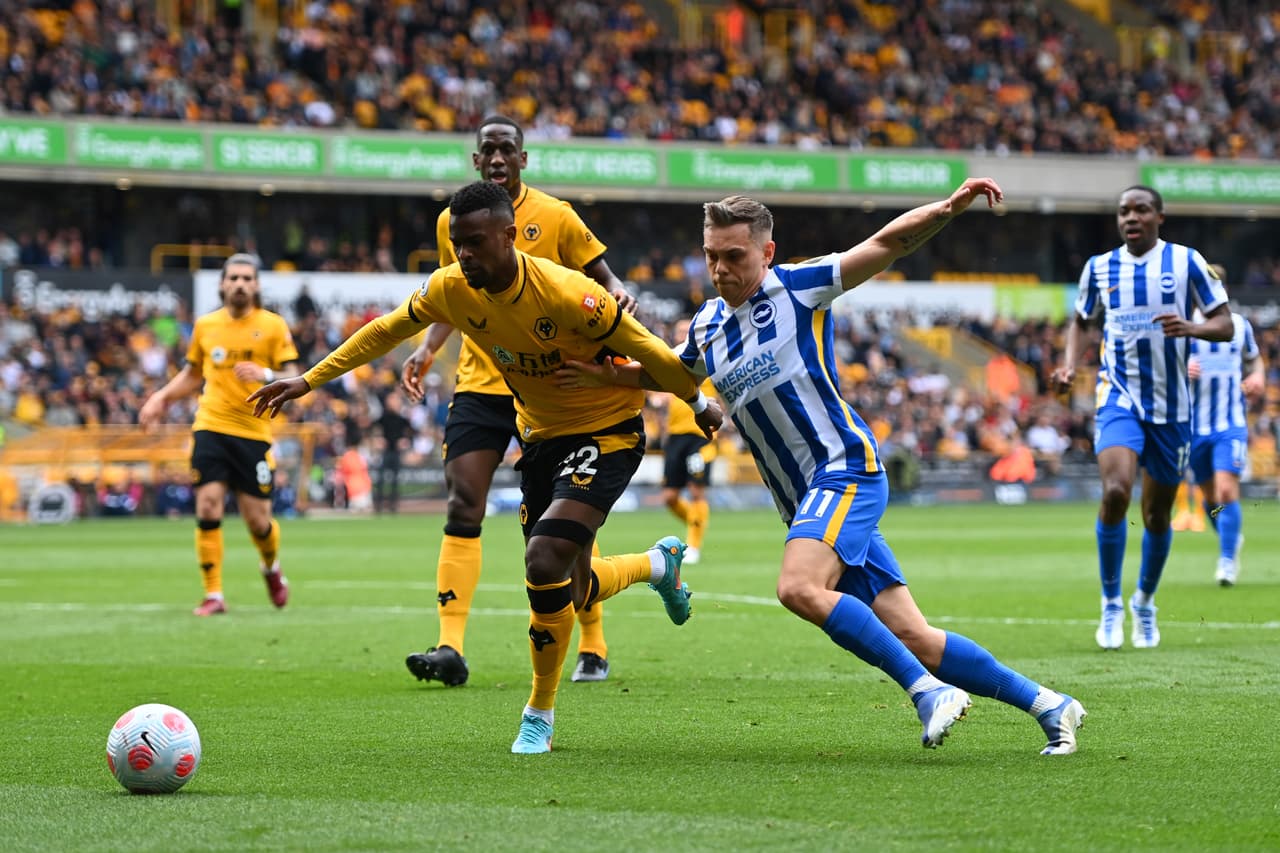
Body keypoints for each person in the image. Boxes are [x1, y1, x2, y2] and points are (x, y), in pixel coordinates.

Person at [559, 182, 1088, 755]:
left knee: (799, 587)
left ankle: (927, 692)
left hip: (844, 470)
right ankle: (1048, 704)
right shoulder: (707, 324)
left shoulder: (798, 287)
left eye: (733, 256)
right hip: (806, 503)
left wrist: (946, 209)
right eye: (711, 255)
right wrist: (607, 374)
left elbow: (885, 244)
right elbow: (674, 374)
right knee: (914, 635)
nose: (719, 269)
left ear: (766, 252)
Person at [250, 181, 721, 754]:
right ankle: (656, 565)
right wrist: (308, 380)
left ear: (509, 236)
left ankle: (538, 713)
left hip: (606, 432)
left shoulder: (568, 293)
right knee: (573, 588)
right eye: (457, 243)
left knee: (542, 557)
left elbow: (650, 349)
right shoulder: (451, 287)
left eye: (475, 242)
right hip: (540, 439)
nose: (464, 254)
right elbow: (388, 329)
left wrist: (697, 402)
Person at [399, 115, 638, 686]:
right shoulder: (452, 221)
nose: (498, 158)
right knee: (463, 501)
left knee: (566, 520)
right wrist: (428, 349)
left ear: (523, 159)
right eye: (489, 150)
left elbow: (604, 278)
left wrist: (618, 295)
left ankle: (593, 642)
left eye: (507, 149)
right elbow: (451, 292)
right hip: (482, 382)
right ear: (476, 160)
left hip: (552, 387)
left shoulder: (556, 216)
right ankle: (450, 646)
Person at [1052, 186, 1232, 649]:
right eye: (1123, 211)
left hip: (1173, 408)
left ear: (1159, 217)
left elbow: (1225, 323)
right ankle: (1111, 602)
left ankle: (1144, 602)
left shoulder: (1187, 262)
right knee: (1115, 491)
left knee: (1156, 514)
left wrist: (1192, 327)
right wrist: (1069, 364)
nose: (1131, 217)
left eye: (1141, 210)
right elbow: (1081, 321)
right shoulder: (1099, 267)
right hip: (1118, 395)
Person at [139, 253, 300, 615]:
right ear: (222, 284)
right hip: (210, 425)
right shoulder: (206, 326)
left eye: (247, 278)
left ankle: (271, 568)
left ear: (256, 285)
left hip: (253, 432)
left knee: (258, 521)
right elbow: (192, 375)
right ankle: (214, 594)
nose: (240, 284)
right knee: (208, 505)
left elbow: (293, 373)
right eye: (234, 278)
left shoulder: (273, 326)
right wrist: (161, 397)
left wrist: (265, 375)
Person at [1186, 266, 1265, 586]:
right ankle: (1229, 536)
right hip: (1193, 427)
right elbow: (1164, 368)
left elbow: (1254, 358)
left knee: (1226, 490)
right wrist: (1182, 368)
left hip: (1230, 423)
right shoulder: (1185, 325)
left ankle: (1227, 560)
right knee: (1210, 500)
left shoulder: (1239, 325)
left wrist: (1257, 375)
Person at [660, 319, 717, 564]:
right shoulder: (669, 363)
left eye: (688, 331)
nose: (684, 334)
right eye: (680, 331)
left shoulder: (709, 361)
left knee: (696, 490)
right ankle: (697, 523)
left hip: (700, 437)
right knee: (670, 497)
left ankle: (693, 545)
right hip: (675, 437)